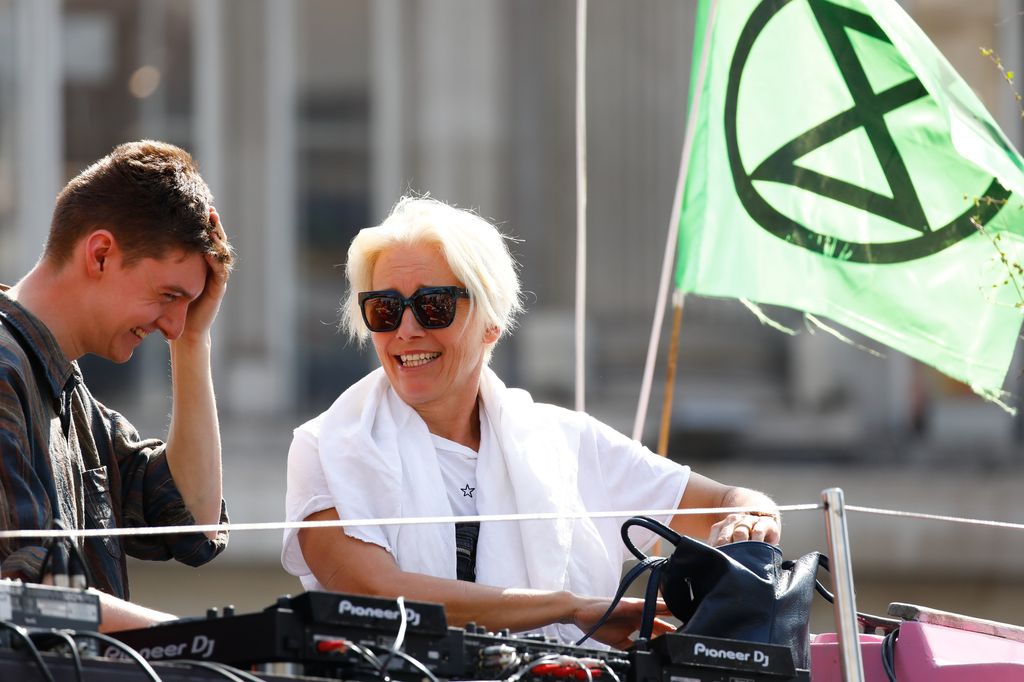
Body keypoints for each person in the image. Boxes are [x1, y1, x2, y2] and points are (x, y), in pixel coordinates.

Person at [283, 196, 780, 649]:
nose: (407, 331)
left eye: (433, 306)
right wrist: (570, 607)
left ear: (491, 322)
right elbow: (377, 593)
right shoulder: (324, 446)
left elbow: (727, 502)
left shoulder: (570, 442)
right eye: (385, 310)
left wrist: (752, 519)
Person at [0, 140, 233, 631]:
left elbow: (194, 523)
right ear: (101, 253)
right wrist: (211, 644)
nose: (172, 324)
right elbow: (34, 597)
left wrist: (193, 341)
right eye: (169, 295)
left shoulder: (69, 394)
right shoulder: (5, 369)